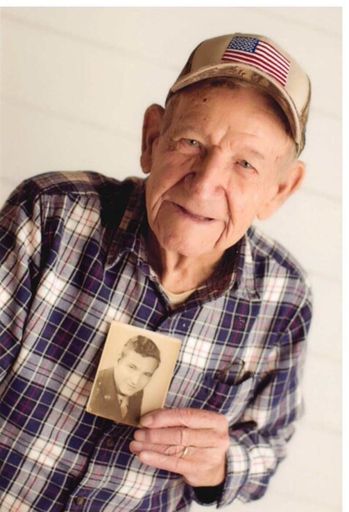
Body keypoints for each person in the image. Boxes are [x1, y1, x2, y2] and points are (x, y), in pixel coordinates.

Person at [0, 32, 312, 511]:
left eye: (245, 164)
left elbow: (266, 447)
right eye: (191, 141)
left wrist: (220, 462)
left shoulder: (282, 300)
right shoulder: (50, 216)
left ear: (279, 190)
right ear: (152, 139)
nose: (206, 182)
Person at [88, 335, 161, 425]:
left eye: (146, 374)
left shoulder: (137, 392)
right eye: (132, 367)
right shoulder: (95, 386)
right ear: (118, 360)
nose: (135, 381)